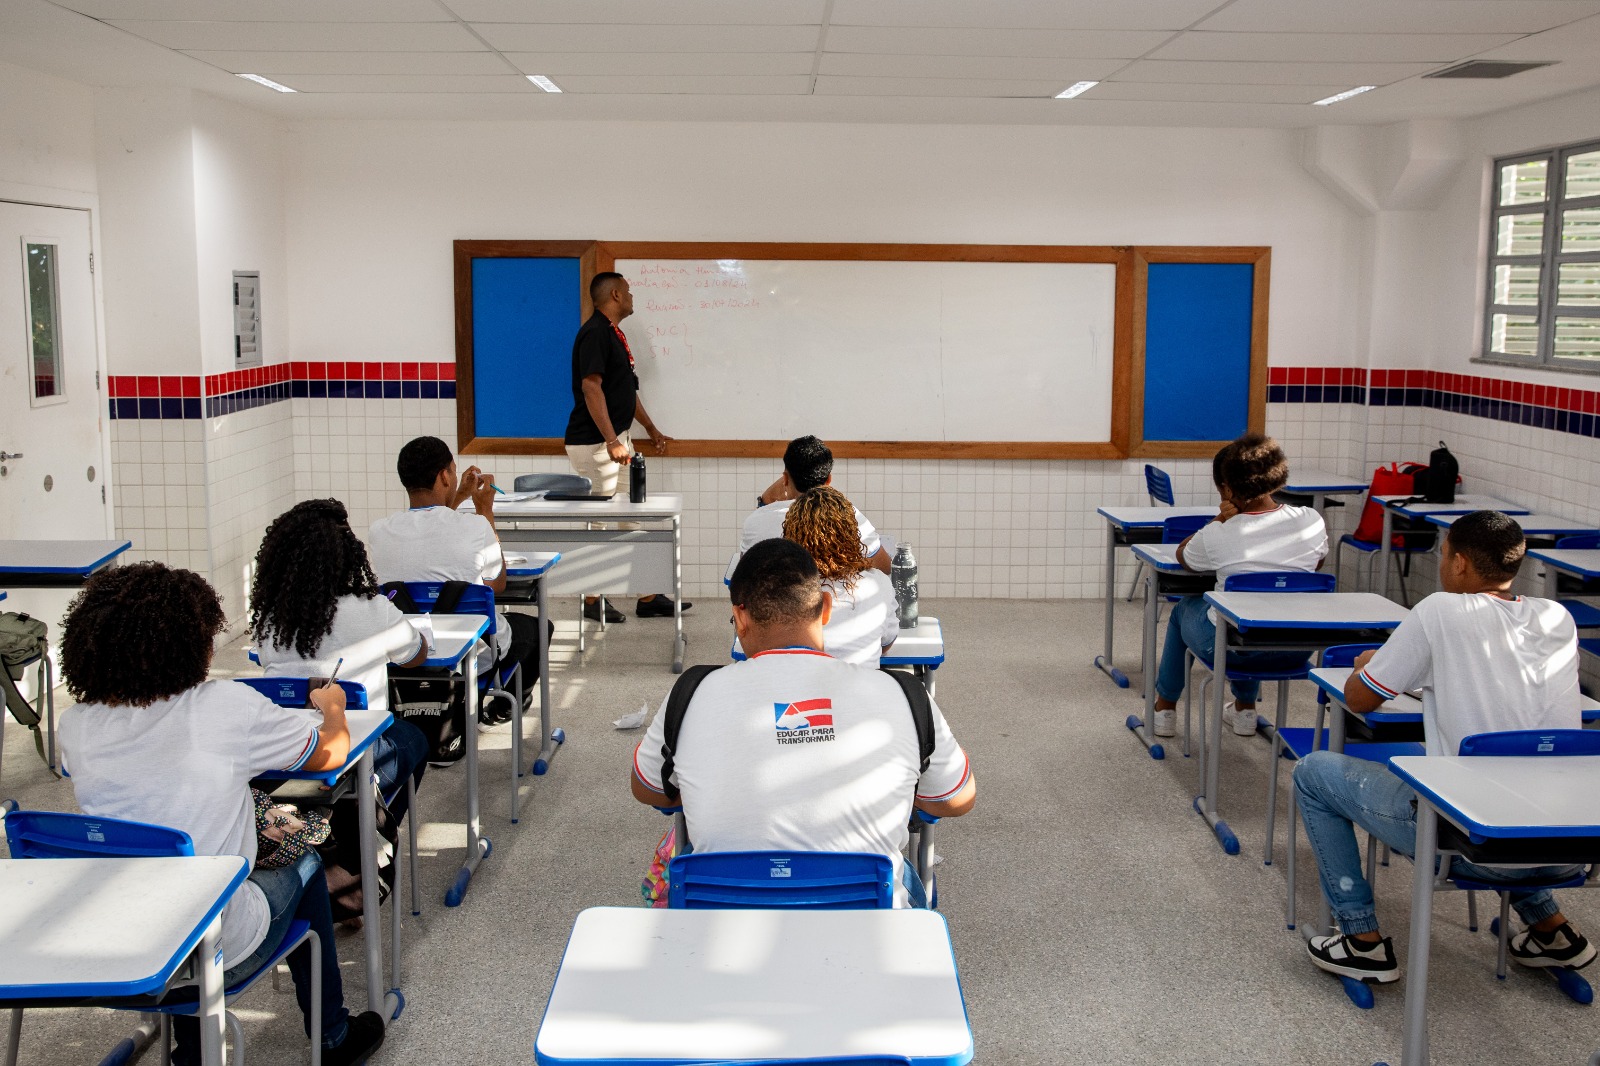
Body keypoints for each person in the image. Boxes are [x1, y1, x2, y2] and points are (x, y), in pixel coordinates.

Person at [56, 563, 385, 1066]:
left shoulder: (75, 725)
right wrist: (334, 708)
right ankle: (333, 1035)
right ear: (192, 645)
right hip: (209, 944)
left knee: (189, 871)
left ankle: (192, 1048)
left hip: (119, 941)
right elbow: (329, 755)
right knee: (307, 864)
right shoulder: (222, 707)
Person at [1296, 510, 1594, 983]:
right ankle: (1549, 927)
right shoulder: (1555, 616)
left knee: (1313, 771)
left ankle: (1361, 939)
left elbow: (1359, 699)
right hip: (1565, 849)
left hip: (1470, 842)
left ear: (1458, 564)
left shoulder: (1438, 611)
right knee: (1514, 782)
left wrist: (1377, 662)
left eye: (1444, 552)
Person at [629, 538, 975, 907]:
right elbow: (956, 799)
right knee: (907, 876)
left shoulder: (692, 692)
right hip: (866, 922)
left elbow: (647, 789)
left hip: (722, 916)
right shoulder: (904, 694)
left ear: (741, 618)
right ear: (826, 608)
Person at [251, 497, 429, 826]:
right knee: (413, 739)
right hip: (351, 755)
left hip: (281, 754)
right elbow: (415, 656)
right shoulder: (372, 609)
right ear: (348, 555)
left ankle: (352, 827)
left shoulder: (269, 618)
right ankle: (373, 838)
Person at [1148, 434, 1328, 740]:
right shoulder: (1310, 519)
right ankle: (1245, 711)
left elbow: (1184, 557)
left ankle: (1164, 709)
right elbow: (1317, 564)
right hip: (1297, 648)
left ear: (1228, 490)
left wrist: (1220, 518)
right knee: (1254, 612)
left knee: (1186, 613)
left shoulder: (1220, 533)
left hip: (1233, 650)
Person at [368, 436, 548, 726]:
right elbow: (497, 583)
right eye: (452, 470)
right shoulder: (476, 526)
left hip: (405, 649)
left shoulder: (379, 531)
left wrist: (459, 496)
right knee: (537, 627)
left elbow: (432, 526)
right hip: (468, 650)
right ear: (444, 476)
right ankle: (503, 705)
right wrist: (485, 510)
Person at [562, 269, 689, 623]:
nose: (632, 297)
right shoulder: (594, 334)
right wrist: (612, 440)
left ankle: (647, 595)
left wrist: (650, 428)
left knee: (631, 516)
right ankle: (591, 600)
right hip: (596, 443)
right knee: (599, 521)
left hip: (615, 440)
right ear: (615, 295)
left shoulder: (614, 335)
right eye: (629, 292)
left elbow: (624, 392)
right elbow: (591, 388)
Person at [731, 435, 891, 576]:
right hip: (834, 606)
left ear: (785, 479)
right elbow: (885, 567)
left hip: (776, 607)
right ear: (828, 480)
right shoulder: (850, 516)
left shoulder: (756, 521)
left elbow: (747, 574)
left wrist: (764, 503)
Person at [782, 486, 899, 667]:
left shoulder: (780, 588)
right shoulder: (877, 584)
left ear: (791, 534)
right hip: (861, 691)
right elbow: (885, 644)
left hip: (799, 691)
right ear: (851, 533)